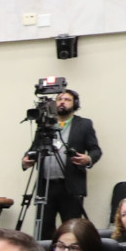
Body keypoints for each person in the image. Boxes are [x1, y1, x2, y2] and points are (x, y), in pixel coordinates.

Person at [16, 88, 100, 236]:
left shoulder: (84, 124)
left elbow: (95, 150)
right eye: (59, 99)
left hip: (71, 186)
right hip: (46, 187)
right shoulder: (44, 125)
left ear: (75, 104)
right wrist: (25, 161)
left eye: (67, 100)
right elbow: (33, 149)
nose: (62, 102)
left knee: (72, 230)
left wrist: (89, 159)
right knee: (44, 229)